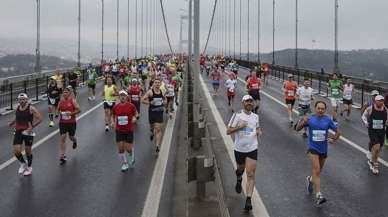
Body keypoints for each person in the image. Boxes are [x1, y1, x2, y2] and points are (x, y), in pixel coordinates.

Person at [295, 101, 340, 206]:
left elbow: (338, 132)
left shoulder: (328, 120)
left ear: (325, 110)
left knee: (317, 173)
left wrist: (333, 139)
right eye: (318, 108)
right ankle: (319, 195)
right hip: (312, 148)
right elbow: (297, 129)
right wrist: (302, 121)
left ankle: (310, 179)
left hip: (323, 149)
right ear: (315, 109)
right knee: (316, 169)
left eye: (322, 109)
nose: (320, 110)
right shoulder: (310, 118)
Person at [227, 95, 262, 212]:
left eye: (251, 101)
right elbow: (228, 131)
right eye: (247, 101)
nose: (250, 103)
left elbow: (257, 127)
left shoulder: (256, 116)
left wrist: (258, 131)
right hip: (239, 149)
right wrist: (239, 127)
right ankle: (238, 177)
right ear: (243, 103)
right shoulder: (237, 115)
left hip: (252, 148)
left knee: (251, 174)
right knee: (240, 169)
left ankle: (248, 200)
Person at [8, 93, 42, 176]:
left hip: (28, 132)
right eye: (20, 99)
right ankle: (23, 163)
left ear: (27, 100)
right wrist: (12, 123)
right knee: (17, 151)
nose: (22, 101)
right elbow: (17, 117)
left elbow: (40, 118)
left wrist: (32, 127)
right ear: (18, 100)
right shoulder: (17, 108)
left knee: (28, 152)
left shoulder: (31, 108)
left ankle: (29, 168)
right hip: (18, 131)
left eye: (24, 99)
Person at [112, 90, 138, 171]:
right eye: (121, 95)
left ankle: (131, 152)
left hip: (129, 130)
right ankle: (125, 163)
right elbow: (113, 115)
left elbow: (136, 113)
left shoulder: (131, 106)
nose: (122, 97)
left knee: (128, 149)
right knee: (120, 148)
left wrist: (134, 117)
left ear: (126, 97)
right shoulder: (116, 107)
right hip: (119, 130)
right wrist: (113, 122)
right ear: (119, 97)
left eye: (124, 95)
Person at [362, 95, 387, 175]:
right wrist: (366, 123)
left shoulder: (385, 109)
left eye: (382, 100)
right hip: (372, 130)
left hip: (382, 131)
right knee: (377, 146)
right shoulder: (370, 108)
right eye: (379, 100)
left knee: (379, 148)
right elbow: (363, 116)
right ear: (375, 101)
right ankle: (374, 163)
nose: (381, 102)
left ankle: (372, 159)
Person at [141, 78, 166, 154]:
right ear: (153, 84)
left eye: (159, 82)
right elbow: (142, 100)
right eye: (156, 82)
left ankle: (157, 146)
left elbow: (165, 99)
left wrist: (164, 102)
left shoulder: (162, 91)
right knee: (152, 127)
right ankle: (151, 131)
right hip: (152, 113)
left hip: (159, 112)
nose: (157, 84)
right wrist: (150, 103)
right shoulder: (150, 92)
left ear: (160, 84)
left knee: (158, 129)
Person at [58, 86, 81, 165]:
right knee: (63, 137)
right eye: (64, 92)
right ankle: (63, 155)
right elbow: (58, 110)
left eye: (66, 92)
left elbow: (79, 110)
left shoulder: (73, 101)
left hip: (71, 122)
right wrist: (59, 113)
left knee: (71, 137)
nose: (65, 93)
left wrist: (71, 113)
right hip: (62, 122)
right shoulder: (60, 101)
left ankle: (75, 141)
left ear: (69, 93)